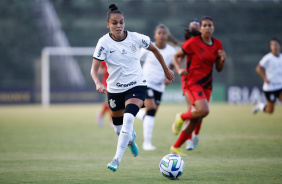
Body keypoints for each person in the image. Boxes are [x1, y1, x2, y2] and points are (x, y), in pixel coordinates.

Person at [90, 4, 174, 172]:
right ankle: (131, 139)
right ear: (108, 25)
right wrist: (98, 83)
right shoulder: (103, 43)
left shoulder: (136, 38)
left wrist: (166, 69)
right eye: (114, 23)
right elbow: (93, 69)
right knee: (118, 129)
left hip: (137, 85)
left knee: (129, 119)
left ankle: (116, 160)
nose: (119, 26)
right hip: (114, 90)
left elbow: (155, 50)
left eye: (121, 22)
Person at [170, 16, 226, 156]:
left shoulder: (218, 44)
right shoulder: (193, 42)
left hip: (207, 84)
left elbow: (218, 68)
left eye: (210, 25)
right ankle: (181, 117)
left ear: (213, 28)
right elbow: (175, 57)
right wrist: (178, 69)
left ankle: (176, 147)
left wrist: (222, 60)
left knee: (197, 117)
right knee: (203, 110)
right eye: (205, 25)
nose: (207, 28)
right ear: (200, 29)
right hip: (193, 82)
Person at [135, 24, 177, 151]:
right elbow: (136, 59)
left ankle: (138, 113)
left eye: (164, 33)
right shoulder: (148, 48)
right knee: (151, 108)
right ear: (155, 35)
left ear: (167, 35)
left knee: (150, 114)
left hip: (160, 85)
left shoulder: (171, 51)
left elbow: (172, 65)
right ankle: (146, 144)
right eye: (159, 33)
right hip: (146, 82)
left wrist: (168, 76)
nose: (162, 35)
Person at [181, 20, 203, 151]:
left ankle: (196, 134)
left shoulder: (206, 45)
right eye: (191, 29)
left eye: (196, 29)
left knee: (201, 112)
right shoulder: (186, 45)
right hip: (189, 79)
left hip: (203, 80)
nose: (193, 31)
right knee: (191, 110)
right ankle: (188, 140)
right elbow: (177, 57)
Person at [252, 38, 282, 114]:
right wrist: (265, 78)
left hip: (280, 86)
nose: (274, 47)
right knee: (270, 111)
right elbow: (258, 69)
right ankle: (260, 106)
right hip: (270, 87)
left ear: (279, 46)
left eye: (276, 45)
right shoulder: (268, 58)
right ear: (270, 47)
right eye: (272, 45)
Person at [96, 61, 112, 127]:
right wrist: (108, 70)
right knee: (111, 102)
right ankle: (112, 120)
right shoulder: (105, 58)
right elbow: (99, 70)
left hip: (117, 82)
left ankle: (100, 115)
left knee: (110, 102)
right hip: (107, 82)